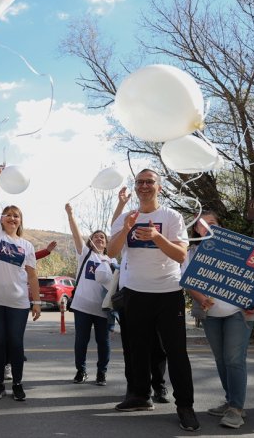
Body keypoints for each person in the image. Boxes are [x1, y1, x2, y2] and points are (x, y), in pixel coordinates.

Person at [109, 169, 199, 431]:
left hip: (168, 293)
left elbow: (181, 255)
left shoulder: (171, 216)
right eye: (140, 182)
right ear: (135, 188)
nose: (144, 186)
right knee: (137, 350)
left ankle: (185, 406)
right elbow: (113, 252)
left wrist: (157, 237)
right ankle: (139, 395)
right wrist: (125, 230)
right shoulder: (127, 218)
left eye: (150, 182)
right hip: (135, 294)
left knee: (176, 352)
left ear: (159, 187)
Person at [184, 211, 254, 429]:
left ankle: (236, 409)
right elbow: (187, 281)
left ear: (220, 227)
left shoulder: (238, 249)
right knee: (221, 359)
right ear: (196, 230)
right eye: (201, 225)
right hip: (211, 316)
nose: (206, 227)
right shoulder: (192, 252)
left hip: (239, 313)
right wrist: (200, 297)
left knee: (234, 359)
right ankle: (230, 401)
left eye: (212, 223)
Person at [0, 166, 40, 402]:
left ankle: (17, 383)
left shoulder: (27, 246)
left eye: (17, 215)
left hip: (18, 302)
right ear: (1, 220)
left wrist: (35, 301)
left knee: (15, 343)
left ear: (20, 221)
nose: (12, 217)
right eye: (8, 214)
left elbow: (33, 276)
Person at [111, 186, 169, 403]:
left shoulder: (166, 218)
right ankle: (134, 387)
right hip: (129, 294)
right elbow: (116, 229)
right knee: (132, 346)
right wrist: (121, 205)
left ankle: (159, 386)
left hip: (157, 293)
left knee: (158, 344)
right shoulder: (125, 232)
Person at [65, 203, 114, 387]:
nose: (100, 238)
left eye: (103, 237)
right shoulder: (85, 254)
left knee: (104, 342)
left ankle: (102, 373)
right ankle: (81, 371)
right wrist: (71, 214)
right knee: (81, 341)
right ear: (91, 241)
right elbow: (75, 233)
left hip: (103, 309)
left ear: (107, 243)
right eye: (96, 236)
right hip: (82, 307)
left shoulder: (112, 260)